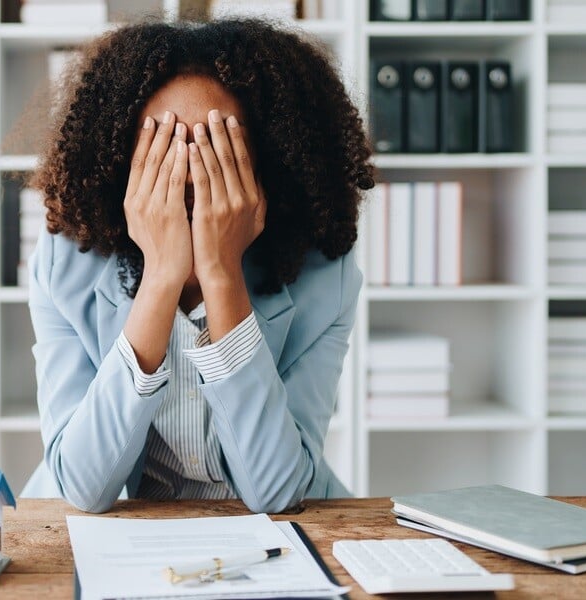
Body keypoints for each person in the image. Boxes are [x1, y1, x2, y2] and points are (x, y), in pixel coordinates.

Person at [18, 19, 375, 514]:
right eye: (161, 146)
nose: (187, 172)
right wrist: (162, 277)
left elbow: (275, 491)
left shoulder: (325, 275)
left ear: (266, 158)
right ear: (122, 156)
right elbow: (84, 486)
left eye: (215, 146)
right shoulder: (65, 261)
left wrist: (222, 273)